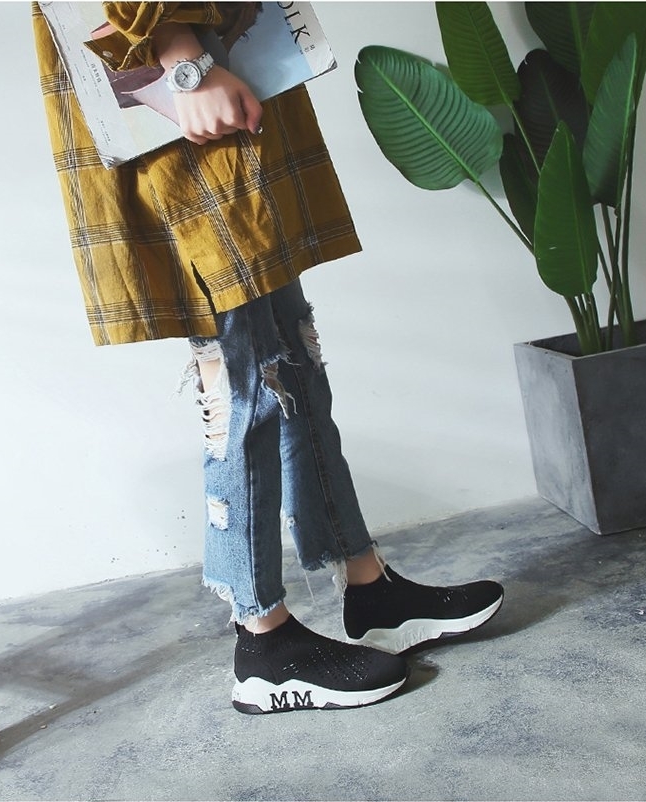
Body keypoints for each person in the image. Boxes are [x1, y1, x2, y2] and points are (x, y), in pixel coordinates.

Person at [32, 1, 504, 715]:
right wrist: (182, 59)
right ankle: (263, 643)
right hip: (168, 81)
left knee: (290, 351)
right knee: (240, 380)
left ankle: (369, 587)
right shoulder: (179, 65)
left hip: (210, 67)